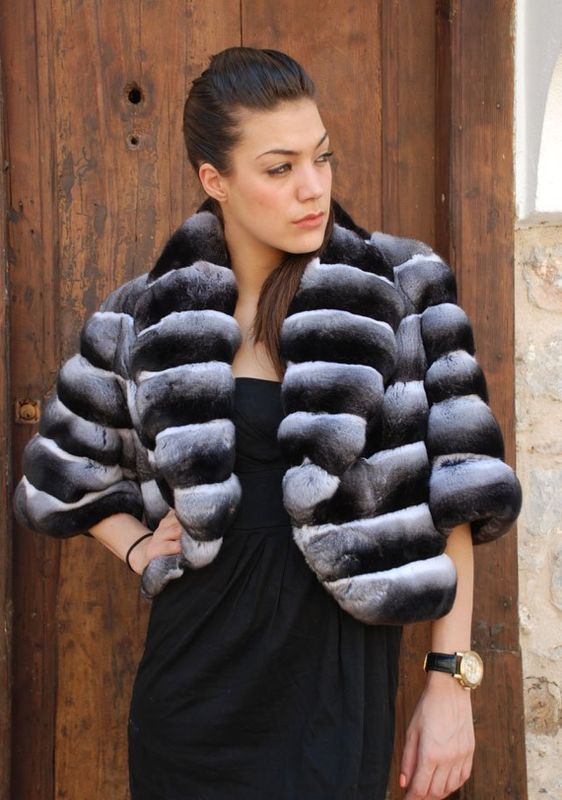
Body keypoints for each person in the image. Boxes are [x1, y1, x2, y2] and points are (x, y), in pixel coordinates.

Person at [13, 46, 522, 800]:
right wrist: (140, 553)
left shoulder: (405, 289)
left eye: (322, 157)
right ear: (214, 180)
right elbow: (61, 474)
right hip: (193, 690)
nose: (312, 188)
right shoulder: (145, 316)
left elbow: (461, 491)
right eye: (279, 168)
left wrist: (449, 681)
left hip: (337, 685)